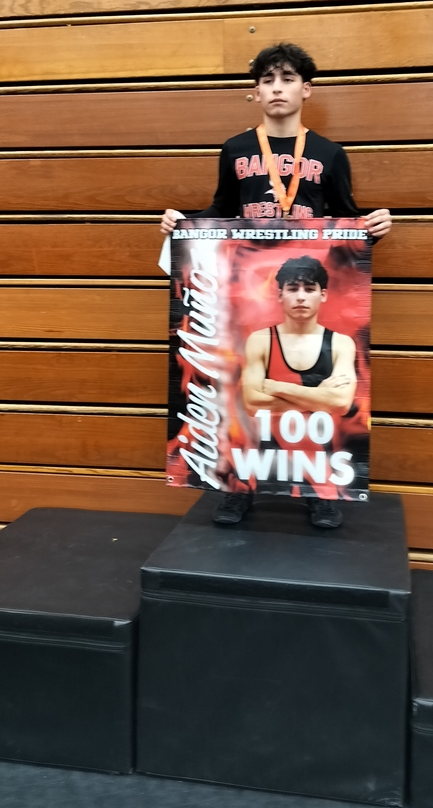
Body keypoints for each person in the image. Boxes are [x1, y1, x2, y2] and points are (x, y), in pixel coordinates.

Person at [160, 41, 392, 527]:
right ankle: (238, 486)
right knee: (241, 393)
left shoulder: (328, 154)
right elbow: (220, 211)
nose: (277, 88)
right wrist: (183, 222)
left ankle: (320, 489)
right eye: (267, 80)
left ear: (307, 89)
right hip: (246, 291)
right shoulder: (236, 150)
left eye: (287, 79)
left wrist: (374, 224)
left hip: (304, 288)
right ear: (255, 93)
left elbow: (347, 218)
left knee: (310, 386)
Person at [240, 256, 358, 529]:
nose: (301, 297)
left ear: (323, 294)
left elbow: (341, 403)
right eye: (293, 289)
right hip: (264, 446)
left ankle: (320, 494)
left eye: (309, 289)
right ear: (280, 294)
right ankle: (241, 490)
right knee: (238, 446)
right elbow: (251, 402)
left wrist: (276, 386)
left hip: (319, 448)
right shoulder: (260, 339)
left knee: (321, 451)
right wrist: (318, 395)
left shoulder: (341, 343)